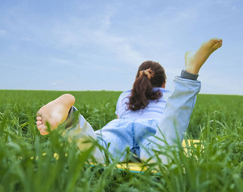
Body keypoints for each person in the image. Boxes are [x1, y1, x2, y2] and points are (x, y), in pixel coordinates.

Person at [36, 38, 222, 163]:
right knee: (164, 157)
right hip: (154, 129)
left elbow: (119, 117)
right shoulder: (166, 95)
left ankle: (70, 117)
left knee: (94, 153)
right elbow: (174, 118)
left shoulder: (125, 95)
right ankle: (189, 74)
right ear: (163, 83)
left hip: (118, 128)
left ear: (137, 79)